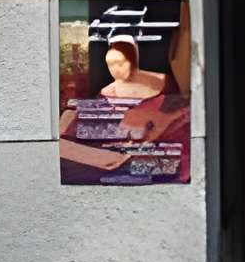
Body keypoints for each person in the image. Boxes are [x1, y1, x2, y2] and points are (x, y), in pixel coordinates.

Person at [58, 36, 184, 179]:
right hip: (115, 151)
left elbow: (176, 114)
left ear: (132, 60)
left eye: (120, 63)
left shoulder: (161, 83)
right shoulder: (107, 92)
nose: (115, 70)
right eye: (110, 64)